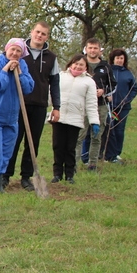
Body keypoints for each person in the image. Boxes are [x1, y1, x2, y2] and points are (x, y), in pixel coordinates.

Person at [5, 22, 61, 191]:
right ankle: (5, 175)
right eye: (37, 32)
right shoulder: (20, 51)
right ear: (31, 32)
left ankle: (26, 177)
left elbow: (55, 83)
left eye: (43, 34)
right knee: (13, 140)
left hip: (39, 105)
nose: (40, 36)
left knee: (32, 142)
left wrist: (56, 106)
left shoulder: (51, 57)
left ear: (47, 36)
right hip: (18, 103)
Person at [0, 38, 34, 194]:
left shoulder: (22, 65)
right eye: (12, 49)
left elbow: (28, 88)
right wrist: (5, 70)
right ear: (6, 49)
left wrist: (19, 72)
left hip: (12, 118)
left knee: (6, 153)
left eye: (18, 51)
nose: (15, 53)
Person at [53, 54, 99, 183]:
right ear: (70, 64)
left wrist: (94, 121)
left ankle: (69, 174)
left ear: (85, 67)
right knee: (57, 146)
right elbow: (52, 94)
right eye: (76, 63)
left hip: (75, 119)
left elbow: (91, 103)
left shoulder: (89, 81)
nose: (78, 66)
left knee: (70, 147)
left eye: (81, 65)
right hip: (59, 117)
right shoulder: (61, 76)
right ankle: (57, 174)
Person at [75, 38, 115, 170]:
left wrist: (104, 91)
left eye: (95, 48)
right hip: (82, 105)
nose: (92, 51)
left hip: (100, 106)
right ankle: (73, 164)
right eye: (90, 48)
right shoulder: (79, 64)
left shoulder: (105, 67)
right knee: (79, 136)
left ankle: (93, 164)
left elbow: (113, 85)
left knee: (96, 136)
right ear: (86, 49)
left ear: (99, 50)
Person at [102, 48, 137, 163]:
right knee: (108, 130)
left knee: (119, 130)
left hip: (123, 108)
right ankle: (106, 154)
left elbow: (134, 89)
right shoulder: (107, 71)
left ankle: (116, 153)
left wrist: (127, 100)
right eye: (117, 58)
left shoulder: (128, 73)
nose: (119, 60)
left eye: (121, 58)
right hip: (108, 106)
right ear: (113, 59)